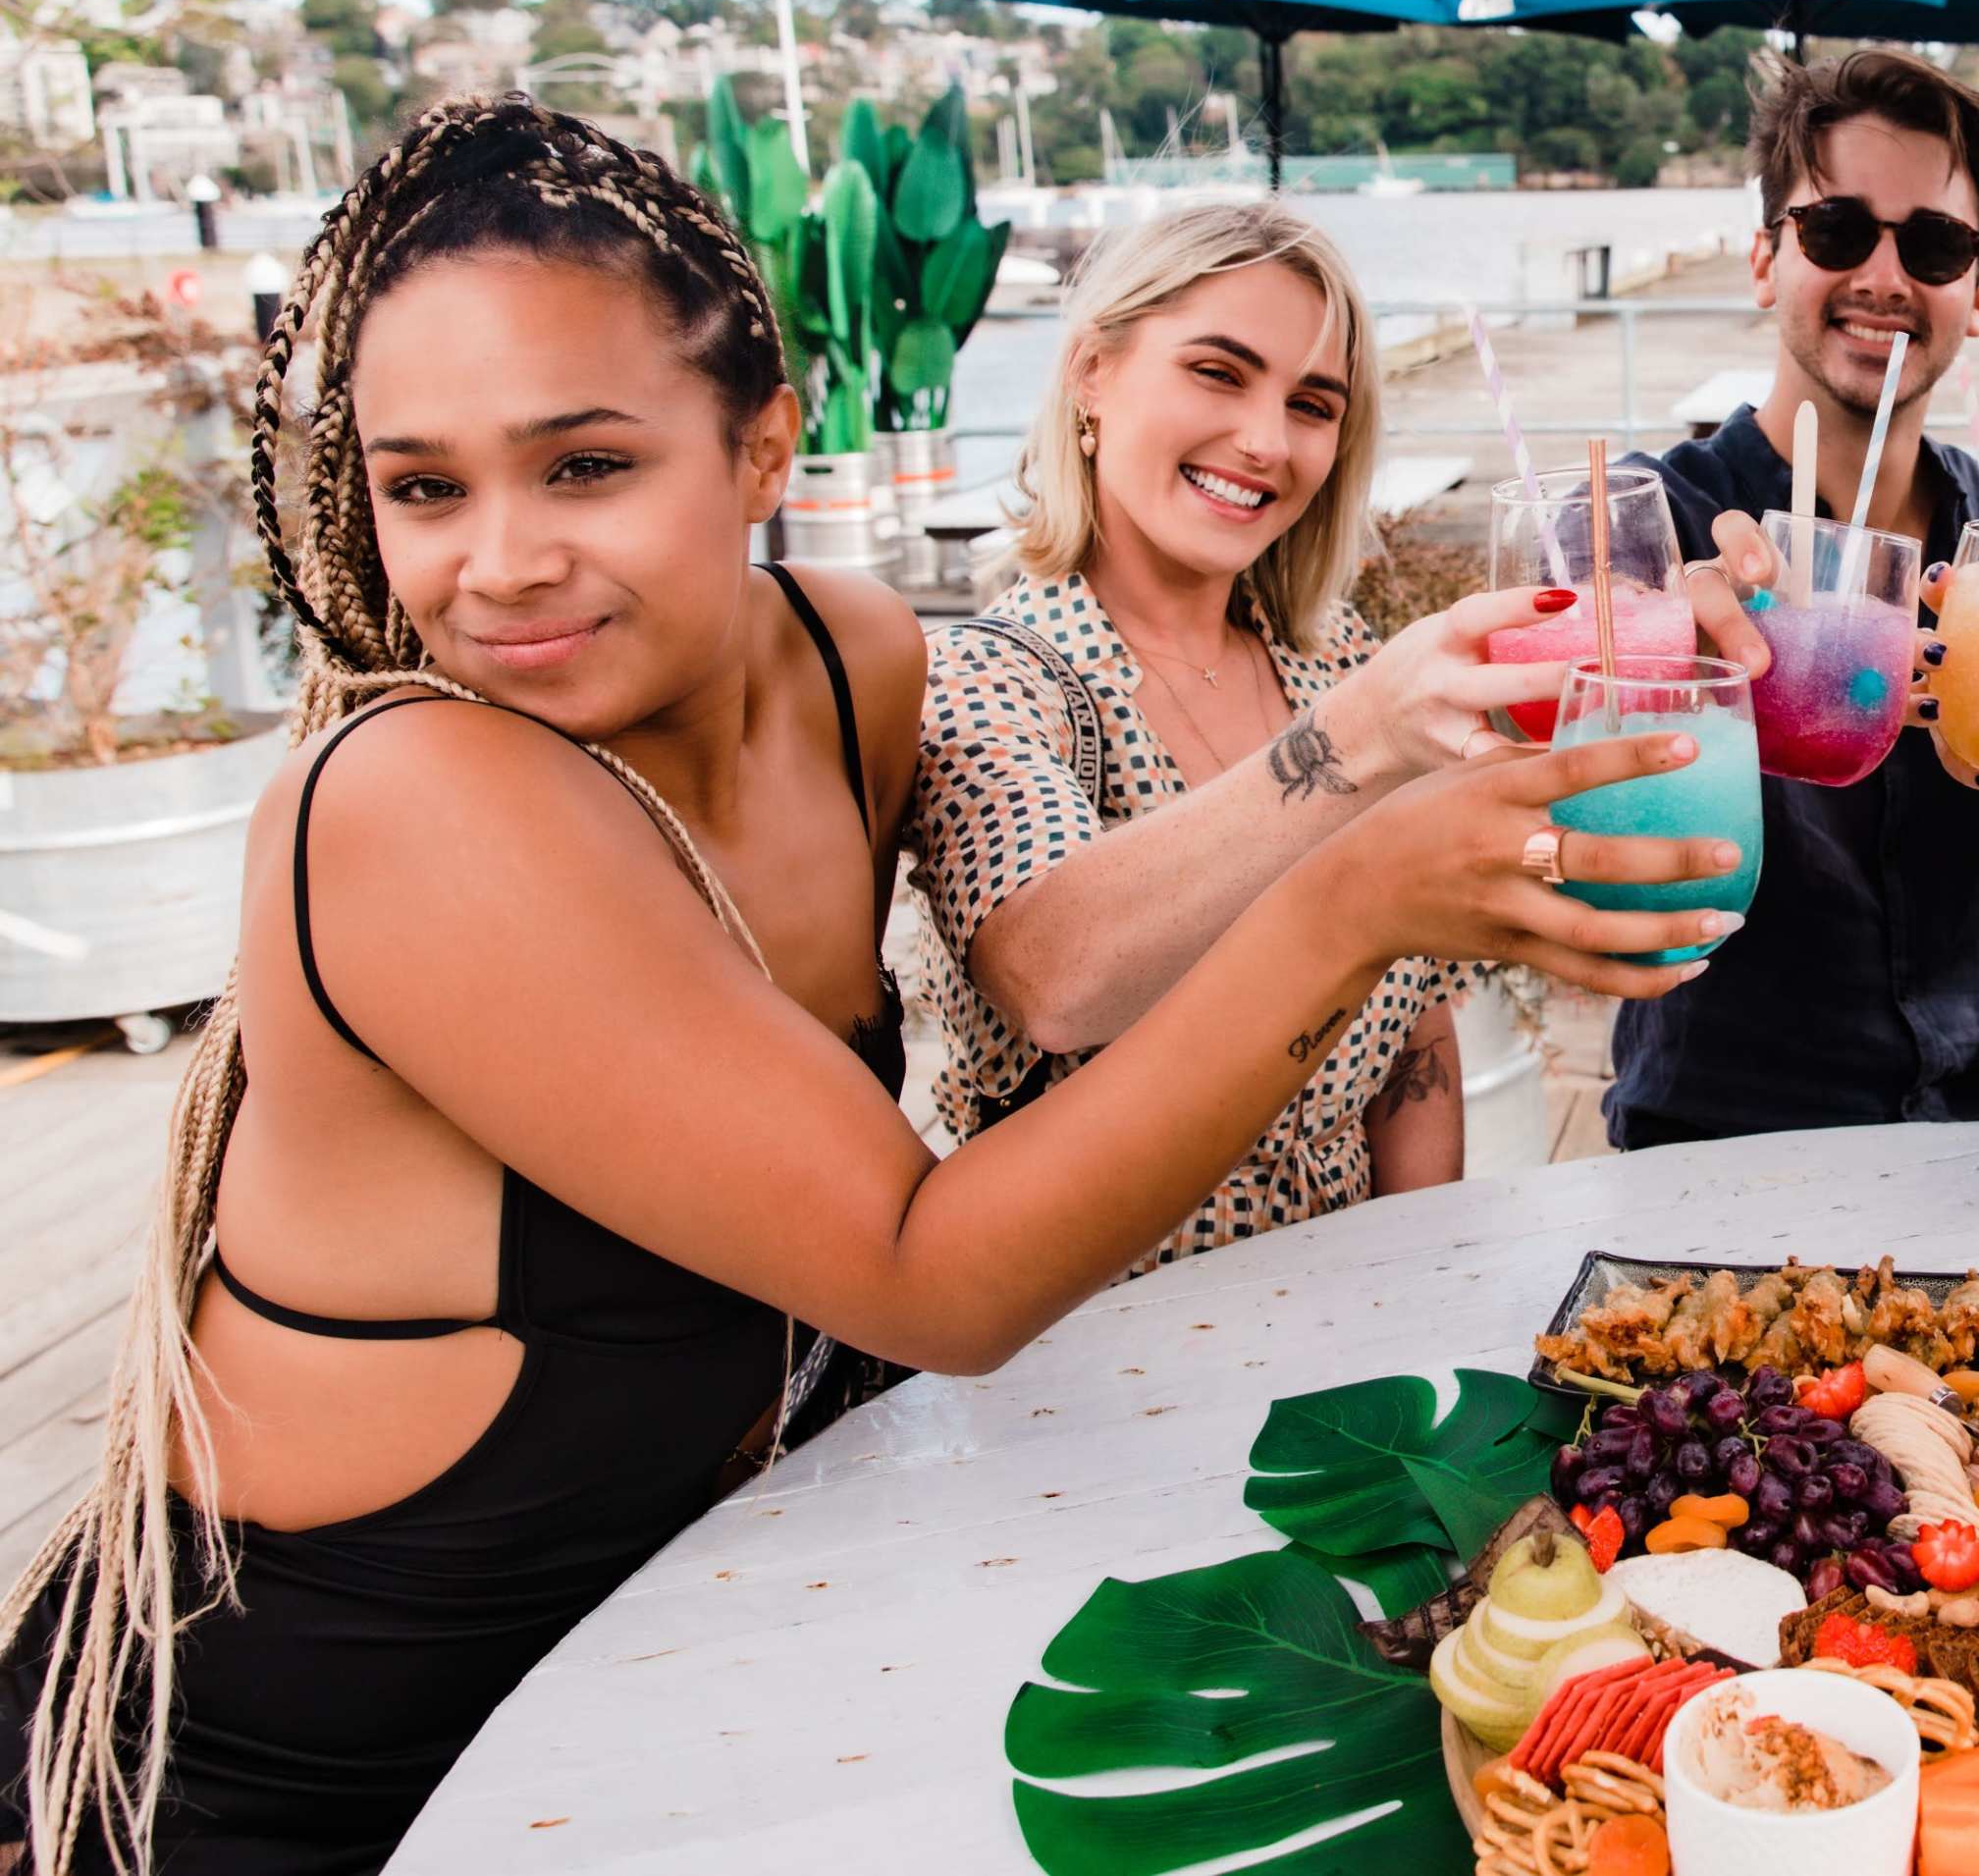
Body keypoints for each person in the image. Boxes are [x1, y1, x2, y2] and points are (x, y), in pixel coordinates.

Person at [0, 98, 1733, 1876]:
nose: (498, 561)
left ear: (767, 444)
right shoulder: (417, 799)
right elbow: (936, 1267)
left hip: (684, 1650)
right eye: (425, 485)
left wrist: (1564, 650)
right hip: (309, 1772)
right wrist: (1353, 889)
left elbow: (1098, 909)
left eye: (583, 464)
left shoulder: (850, 661)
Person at [911, 203, 1762, 1257]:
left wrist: (1406, 1293)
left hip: (1338, 1343)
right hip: (1090, 1358)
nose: (1267, 441)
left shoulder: (1332, 654)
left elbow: (1417, 1033)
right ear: (1093, 371)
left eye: (1312, 405)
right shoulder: (990, 676)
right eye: (1218, 373)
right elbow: (1053, 975)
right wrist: (1354, 737)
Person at [1602, 47, 1979, 1149]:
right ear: (1767, 260)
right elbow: (1539, 818)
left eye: (1937, 245)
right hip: (1707, 1161)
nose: (1887, 278)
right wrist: (1673, 650)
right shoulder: (1651, 534)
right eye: (1837, 231)